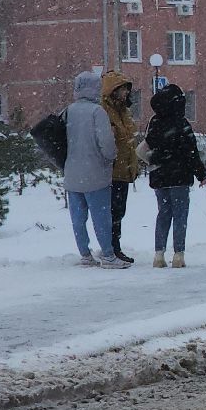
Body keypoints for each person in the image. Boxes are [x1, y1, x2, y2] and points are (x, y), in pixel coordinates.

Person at [64, 71, 126, 268]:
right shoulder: (97, 112)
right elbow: (106, 143)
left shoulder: (68, 111)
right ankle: (108, 255)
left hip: (72, 174)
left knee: (78, 219)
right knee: (101, 218)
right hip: (95, 174)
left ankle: (85, 254)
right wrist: (111, 156)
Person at [144, 83, 206, 267]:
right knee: (180, 215)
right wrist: (201, 173)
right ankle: (178, 255)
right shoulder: (182, 123)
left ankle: (158, 255)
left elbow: (148, 146)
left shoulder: (154, 122)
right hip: (179, 176)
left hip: (159, 176)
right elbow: (192, 152)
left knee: (163, 214)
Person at [100, 71, 140, 262]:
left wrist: (134, 165)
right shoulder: (104, 111)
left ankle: (114, 247)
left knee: (119, 210)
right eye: (122, 89)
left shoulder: (124, 111)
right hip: (111, 170)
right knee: (113, 211)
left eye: (126, 89)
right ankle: (111, 248)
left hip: (123, 169)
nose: (126, 93)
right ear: (113, 90)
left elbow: (129, 141)